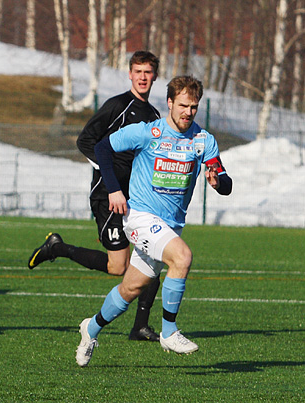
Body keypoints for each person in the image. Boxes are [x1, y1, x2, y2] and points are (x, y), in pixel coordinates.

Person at [75, 75, 233, 367]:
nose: (188, 112)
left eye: (194, 107)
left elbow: (225, 182)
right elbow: (102, 149)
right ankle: (169, 331)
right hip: (140, 217)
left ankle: (91, 327)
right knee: (182, 257)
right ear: (170, 103)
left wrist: (217, 180)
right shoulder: (148, 133)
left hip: (170, 225)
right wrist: (113, 189)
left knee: (131, 288)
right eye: (183, 105)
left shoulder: (203, 140)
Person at [28, 51, 162, 342]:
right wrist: (111, 183)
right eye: (137, 71)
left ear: (155, 76)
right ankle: (58, 248)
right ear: (129, 74)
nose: (142, 77)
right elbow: (86, 140)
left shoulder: (154, 116)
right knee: (118, 267)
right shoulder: (117, 106)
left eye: (147, 72)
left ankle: (140, 326)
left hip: (136, 198)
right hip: (107, 195)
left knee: (152, 255)